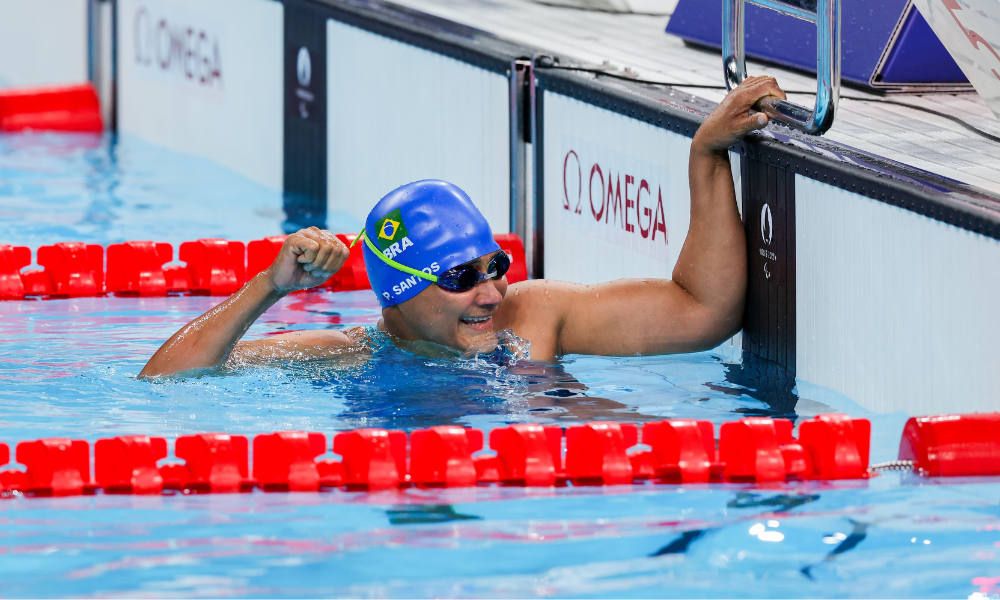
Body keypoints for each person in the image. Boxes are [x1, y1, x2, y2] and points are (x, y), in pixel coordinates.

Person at [140, 76, 786, 377]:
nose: (492, 293)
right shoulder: (344, 357)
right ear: (396, 290)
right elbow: (166, 381)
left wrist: (705, 156)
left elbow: (703, 312)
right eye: (460, 276)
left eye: (493, 267)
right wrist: (268, 289)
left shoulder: (537, 318)